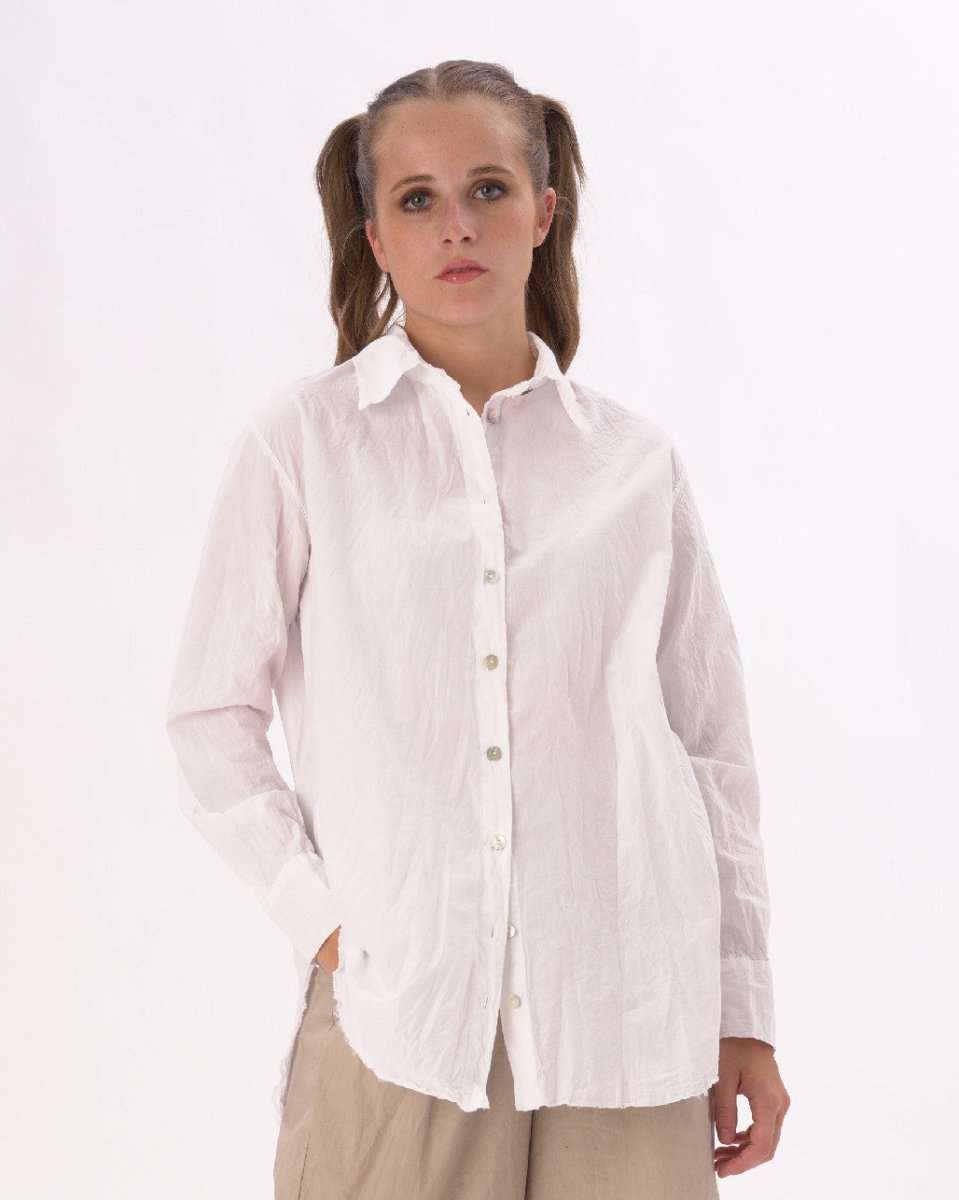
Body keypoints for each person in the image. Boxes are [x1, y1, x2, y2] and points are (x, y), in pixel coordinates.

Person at [165, 59, 790, 1200]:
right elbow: (211, 714)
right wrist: (326, 921)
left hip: (626, 1007)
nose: (455, 225)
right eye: (417, 199)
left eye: (487, 189)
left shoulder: (632, 462)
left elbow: (709, 748)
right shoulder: (302, 445)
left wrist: (741, 1006)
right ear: (375, 237)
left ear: (543, 214)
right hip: (401, 1012)